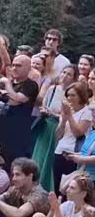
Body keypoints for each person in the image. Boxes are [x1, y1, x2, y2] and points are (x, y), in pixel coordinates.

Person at [33, 63, 77, 191]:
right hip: (46, 125)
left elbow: (70, 114)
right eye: (64, 72)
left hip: (58, 127)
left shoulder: (71, 95)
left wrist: (55, 115)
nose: (65, 76)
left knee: (51, 159)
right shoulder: (52, 89)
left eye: (69, 74)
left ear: (74, 78)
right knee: (40, 156)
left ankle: (48, 187)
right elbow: (43, 105)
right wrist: (44, 112)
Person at [0, 54, 39, 168]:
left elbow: (16, 99)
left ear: (28, 68)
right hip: (1, 130)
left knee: (14, 166)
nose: (14, 68)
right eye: (13, 65)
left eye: (18, 65)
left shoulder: (31, 85)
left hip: (17, 134)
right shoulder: (11, 84)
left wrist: (7, 84)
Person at [53, 79, 92, 193]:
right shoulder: (65, 111)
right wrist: (63, 120)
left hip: (74, 153)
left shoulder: (87, 112)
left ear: (81, 96)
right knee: (57, 186)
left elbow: (78, 132)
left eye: (73, 95)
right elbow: (58, 135)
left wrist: (69, 116)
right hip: (59, 151)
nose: (69, 98)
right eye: (68, 95)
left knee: (70, 187)